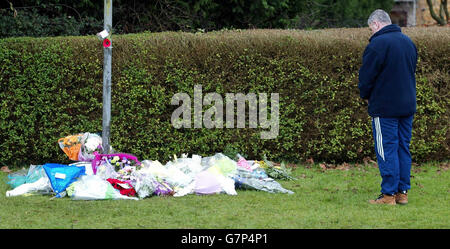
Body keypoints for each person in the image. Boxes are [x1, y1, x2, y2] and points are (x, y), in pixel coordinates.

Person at [358, 9, 418, 205]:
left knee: (386, 149)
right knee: (402, 148)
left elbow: (366, 78)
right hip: (407, 105)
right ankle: (402, 193)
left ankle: (388, 195)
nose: (371, 32)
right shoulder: (408, 43)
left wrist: (365, 96)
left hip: (385, 107)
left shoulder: (377, 45)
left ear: (375, 24)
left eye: (370, 28)